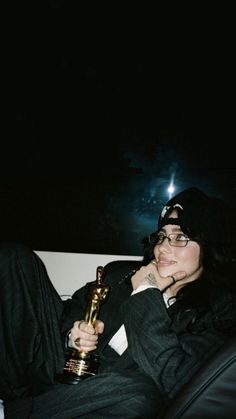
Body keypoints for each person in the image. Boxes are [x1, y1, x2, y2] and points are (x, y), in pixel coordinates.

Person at [1, 187, 236, 418]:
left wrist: (146, 291)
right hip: (62, 365)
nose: (163, 247)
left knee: (139, 396)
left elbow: (175, 380)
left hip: (104, 392)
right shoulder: (120, 274)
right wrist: (71, 336)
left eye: (180, 237)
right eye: (162, 236)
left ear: (208, 246)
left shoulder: (219, 309)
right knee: (15, 259)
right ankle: (14, 393)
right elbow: (73, 308)